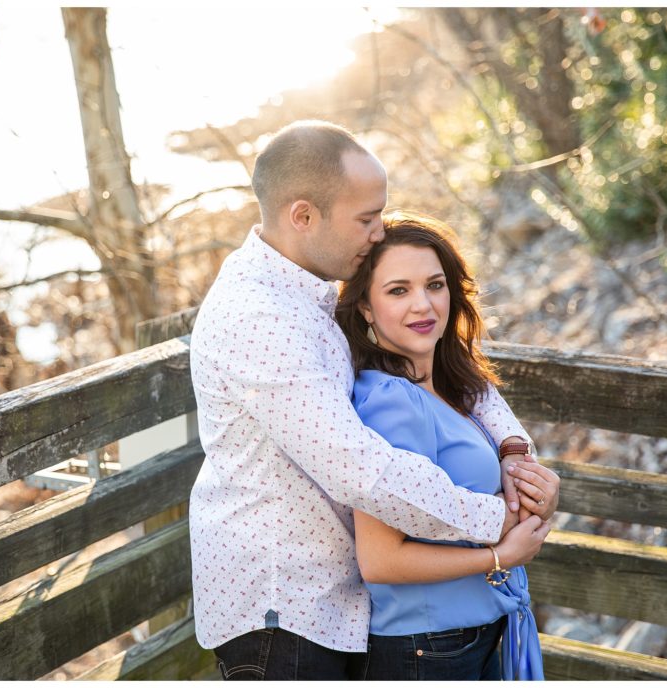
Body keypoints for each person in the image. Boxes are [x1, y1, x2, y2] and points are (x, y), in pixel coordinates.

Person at [188, 120, 558, 680]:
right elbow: (360, 471)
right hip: (282, 609)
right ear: (303, 216)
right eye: (366, 219)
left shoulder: (314, 284)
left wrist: (513, 450)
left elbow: (454, 372)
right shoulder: (258, 319)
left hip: (338, 602)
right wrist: (498, 520)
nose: (378, 232)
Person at [336, 210, 558, 680]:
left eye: (434, 285)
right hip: (429, 650)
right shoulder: (391, 403)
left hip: (478, 633)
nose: (423, 305)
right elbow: (380, 559)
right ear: (366, 309)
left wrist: (537, 487)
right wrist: (498, 556)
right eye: (399, 290)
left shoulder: (453, 390)